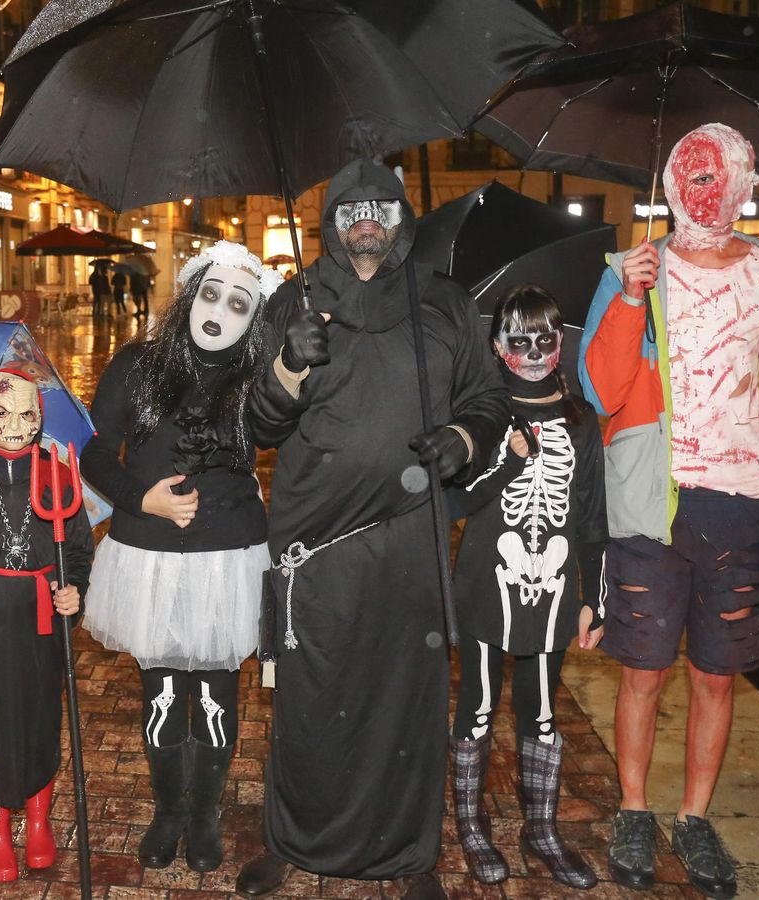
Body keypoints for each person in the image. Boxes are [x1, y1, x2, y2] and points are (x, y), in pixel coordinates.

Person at [237, 159, 510, 900]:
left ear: (400, 219)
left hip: (407, 538)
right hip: (315, 542)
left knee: (407, 698)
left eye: (381, 208)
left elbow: (488, 397)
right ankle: (294, 842)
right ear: (330, 219)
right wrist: (290, 364)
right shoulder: (291, 302)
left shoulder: (444, 303)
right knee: (311, 700)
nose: (367, 218)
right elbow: (259, 424)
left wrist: (462, 437)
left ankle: (407, 854)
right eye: (352, 207)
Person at [578, 123, 759, 900]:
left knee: (716, 679)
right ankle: (632, 809)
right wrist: (627, 296)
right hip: (654, 506)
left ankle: (693, 817)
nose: (701, 185)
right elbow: (600, 390)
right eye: (688, 170)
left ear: (745, 181)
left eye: (715, 171)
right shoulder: (631, 269)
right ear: (669, 181)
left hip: (749, 508)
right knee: (643, 673)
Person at [81, 241, 279, 873]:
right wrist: (143, 501)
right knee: (164, 689)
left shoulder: (257, 384)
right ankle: (169, 811)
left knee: (219, 690)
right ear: (190, 295)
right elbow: (93, 453)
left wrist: (297, 364)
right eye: (212, 294)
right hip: (151, 556)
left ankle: (205, 816)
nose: (219, 310)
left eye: (239, 303)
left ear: (254, 319)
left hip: (228, 558)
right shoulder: (137, 364)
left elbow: (290, 426)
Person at [446, 285, 606, 890]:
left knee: (541, 714)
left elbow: (592, 513)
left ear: (560, 341)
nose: (536, 349)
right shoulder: (483, 413)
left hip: (556, 586)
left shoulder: (580, 417)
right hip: (490, 583)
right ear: (498, 346)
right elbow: (454, 500)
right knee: (479, 708)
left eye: (546, 337)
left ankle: (542, 830)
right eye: (521, 338)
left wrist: (598, 597)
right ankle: (472, 827)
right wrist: (508, 464)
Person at [0, 369, 93, 882]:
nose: (16, 423)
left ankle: (39, 819)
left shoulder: (57, 475)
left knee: (41, 711)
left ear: (40, 418)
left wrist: (74, 586)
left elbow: (78, 547)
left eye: (28, 413)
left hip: (43, 614)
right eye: (0, 413)